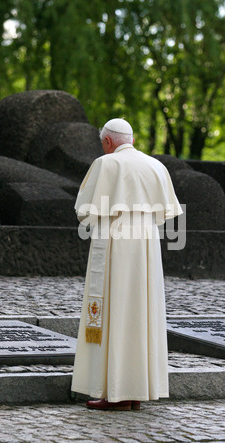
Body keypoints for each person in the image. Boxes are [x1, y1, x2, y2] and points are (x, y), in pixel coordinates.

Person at [71, 118, 182, 410]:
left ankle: (114, 393)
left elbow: (83, 210)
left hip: (115, 245)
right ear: (130, 139)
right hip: (146, 248)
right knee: (140, 314)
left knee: (115, 311)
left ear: (107, 142)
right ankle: (134, 393)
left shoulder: (105, 165)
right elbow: (167, 212)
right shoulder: (156, 167)